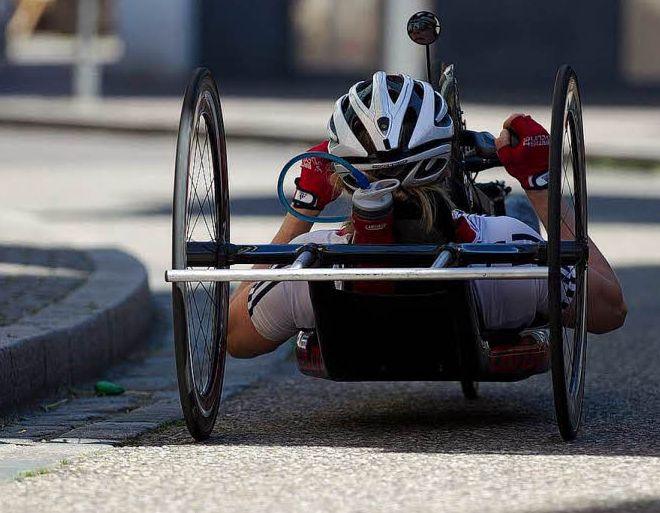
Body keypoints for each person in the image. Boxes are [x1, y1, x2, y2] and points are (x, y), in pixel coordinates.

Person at [227, 72, 627, 359]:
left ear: (341, 173)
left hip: (340, 316)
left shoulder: (309, 266)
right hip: (489, 291)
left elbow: (234, 336)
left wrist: (305, 207)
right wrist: (540, 184)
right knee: (515, 208)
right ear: (443, 160)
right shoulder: (506, 249)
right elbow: (610, 310)